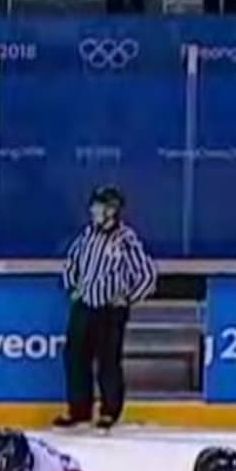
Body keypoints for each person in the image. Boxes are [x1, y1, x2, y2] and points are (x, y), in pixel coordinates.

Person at [56, 183, 153, 431]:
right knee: (75, 357)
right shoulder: (87, 235)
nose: (94, 211)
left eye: (99, 207)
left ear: (112, 210)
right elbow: (71, 264)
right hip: (84, 306)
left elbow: (146, 274)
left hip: (110, 310)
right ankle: (79, 410)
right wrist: (73, 290)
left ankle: (110, 410)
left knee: (108, 361)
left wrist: (128, 298)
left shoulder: (125, 239)